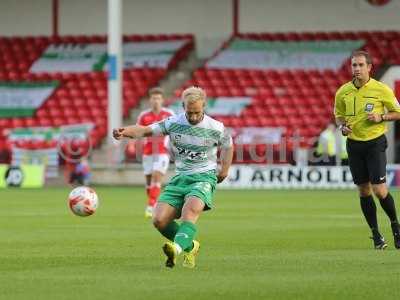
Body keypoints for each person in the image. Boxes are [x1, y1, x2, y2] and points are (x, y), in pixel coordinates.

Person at [113, 86, 233, 268]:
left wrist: (224, 169)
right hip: (180, 178)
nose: (193, 117)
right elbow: (146, 130)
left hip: (204, 177)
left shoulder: (215, 127)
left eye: (197, 112)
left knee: (189, 212)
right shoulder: (174, 123)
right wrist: (125, 132)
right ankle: (191, 246)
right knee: (159, 220)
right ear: (183, 106)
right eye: (189, 112)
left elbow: (228, 145)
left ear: (204, 106)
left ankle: (175, 249)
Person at [334, 50, 400, 250]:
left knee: (379, 190)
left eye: (361, 65)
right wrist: (342, 127)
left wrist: (382, 117)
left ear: (369, 67)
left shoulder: (381, 89)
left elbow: (397, 112)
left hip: (375, 143)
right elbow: (338, 115)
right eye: (354, 65)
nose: (357, 69)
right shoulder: (343, 92)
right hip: (354, 145)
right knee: (363, 191)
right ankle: (376, 235)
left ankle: (396, 227)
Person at [136, 87, 174, 218]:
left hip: (162, 152)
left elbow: (175, 130)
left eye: (158, 98)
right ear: (149, 100)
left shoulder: (169, 114)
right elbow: (138, 131)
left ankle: (151, 205)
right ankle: (154, 203)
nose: (156, 101)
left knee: (156, 177)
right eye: (153, 98)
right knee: (148, 181)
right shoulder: (144, 115)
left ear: (162, 100)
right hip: (147, 152)